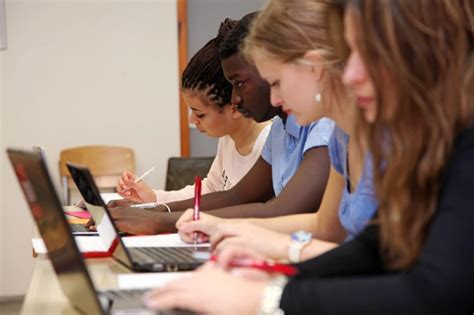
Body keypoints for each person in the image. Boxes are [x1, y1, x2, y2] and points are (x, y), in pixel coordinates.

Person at [143, 0, 474, 314]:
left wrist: (271, 296)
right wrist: (286, 276)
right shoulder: (419, 138)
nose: (351, 74)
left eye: (367, 54)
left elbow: (437, 291)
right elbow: (375, 248)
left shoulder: (454, 139)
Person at [175, 0, 378, 264]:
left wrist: (275, 256)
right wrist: (226, 228)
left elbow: (382, 262)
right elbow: (325, 225)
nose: (275, 98)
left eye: (277, 83)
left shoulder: (349, 132)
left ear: (314, 67)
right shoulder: (342, 134)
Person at [108, 12, 335, 235]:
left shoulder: (325, 125)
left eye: (239, 84)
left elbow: (279, 210)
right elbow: (236, 195)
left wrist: (160, 220)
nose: (234, 99)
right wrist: (154, 210)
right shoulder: (280, 128)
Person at [115, 18, 271, 205]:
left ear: (235, 106)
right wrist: (155, 198)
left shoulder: (269, 143)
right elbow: (210, 189)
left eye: (200, 113)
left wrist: (160, 212)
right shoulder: (229, 138)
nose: (192, 119)